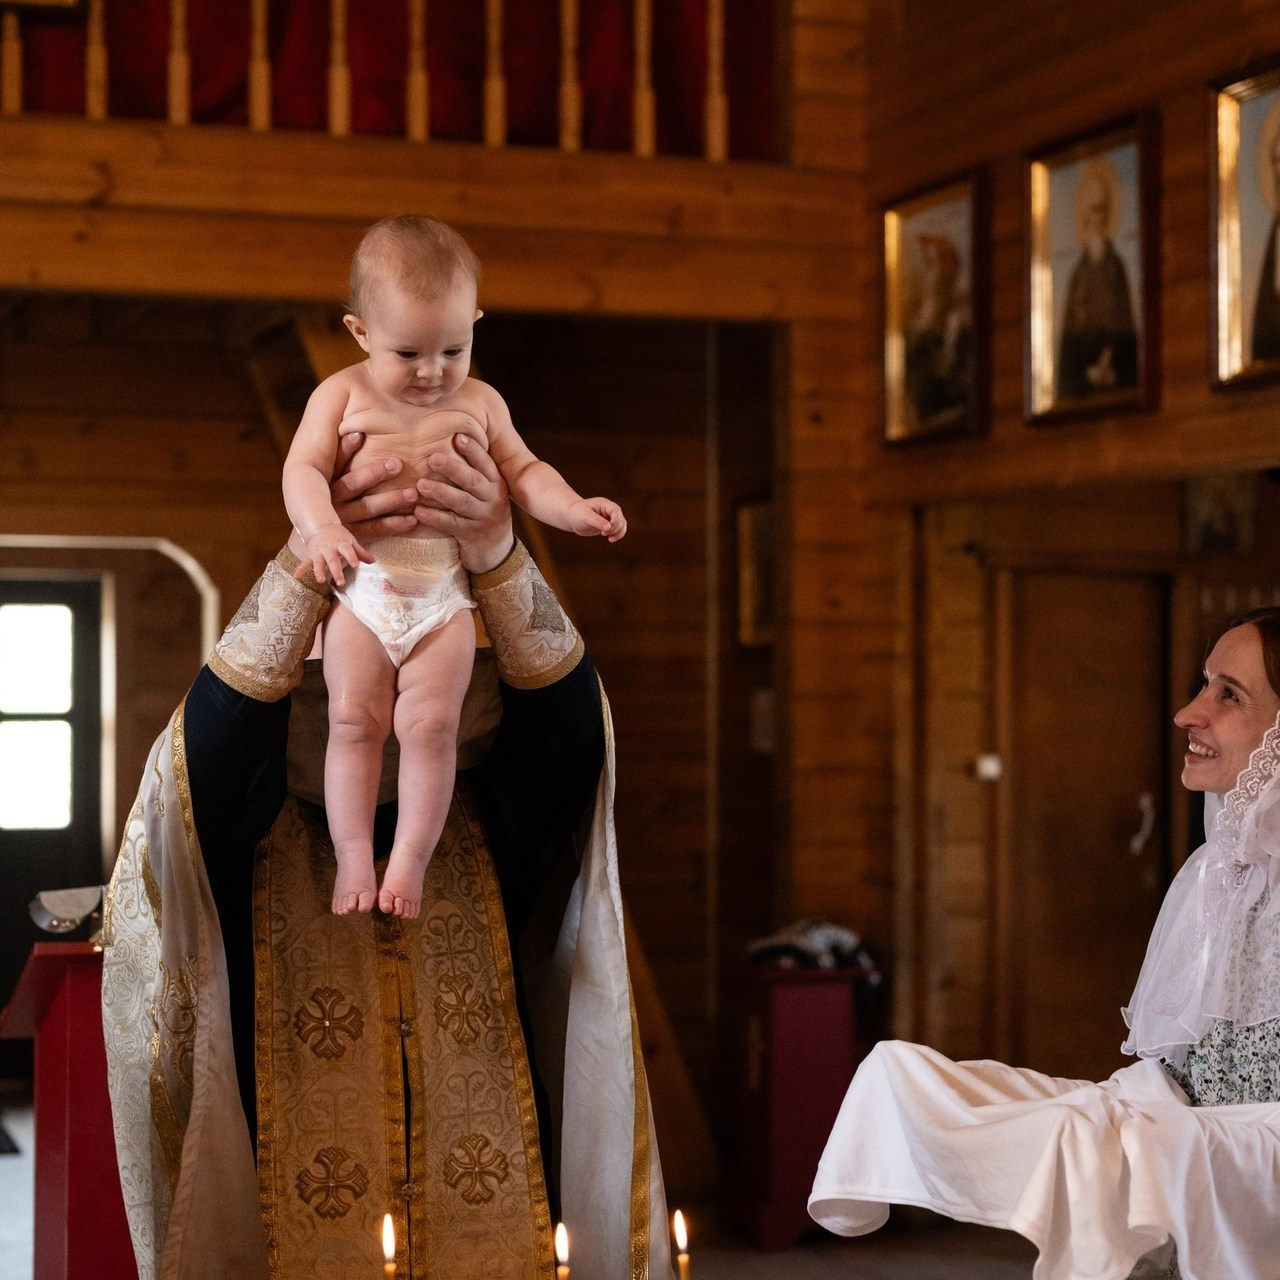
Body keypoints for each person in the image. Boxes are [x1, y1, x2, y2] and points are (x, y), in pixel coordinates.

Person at [100, 435, 670, 1279]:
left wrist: (495, 554)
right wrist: (309, 558)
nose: (394, 681)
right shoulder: (247, 822)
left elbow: (572, 735)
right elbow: (207, 748)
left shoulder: (484, 807)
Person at [809, 608, 1280, 1280]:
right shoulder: (1216, 873)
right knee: (923, 1081)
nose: (1187, 713)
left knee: (1081, 1139)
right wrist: (1088, 1111)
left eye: (1228, 695)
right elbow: (1189, 1082)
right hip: (1192, 1174)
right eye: (1203, 684)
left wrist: (1129, 1140)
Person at [283, 215, 626, 920]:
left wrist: (571, 509)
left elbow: (525, 472)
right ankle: (354, 856)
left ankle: (410, 860)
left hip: (443, 599)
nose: (432, 372)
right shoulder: (341, 394)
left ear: (474, 324)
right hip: (364, 592)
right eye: (408, 352)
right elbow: (304, 470)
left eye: (453, 349)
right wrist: (321, 528)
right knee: (353, 721)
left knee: (432, 725)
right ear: (360, 332)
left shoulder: (482, 401)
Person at [1056, 160, 1139, 401]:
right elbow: (1068, 348)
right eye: (1092, 210)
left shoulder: (1117, 270)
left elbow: (1127, 336)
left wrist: (1113, 371)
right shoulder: (1077, 275)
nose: (1096, 218)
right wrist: (1085, 375)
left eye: (1102, 209)